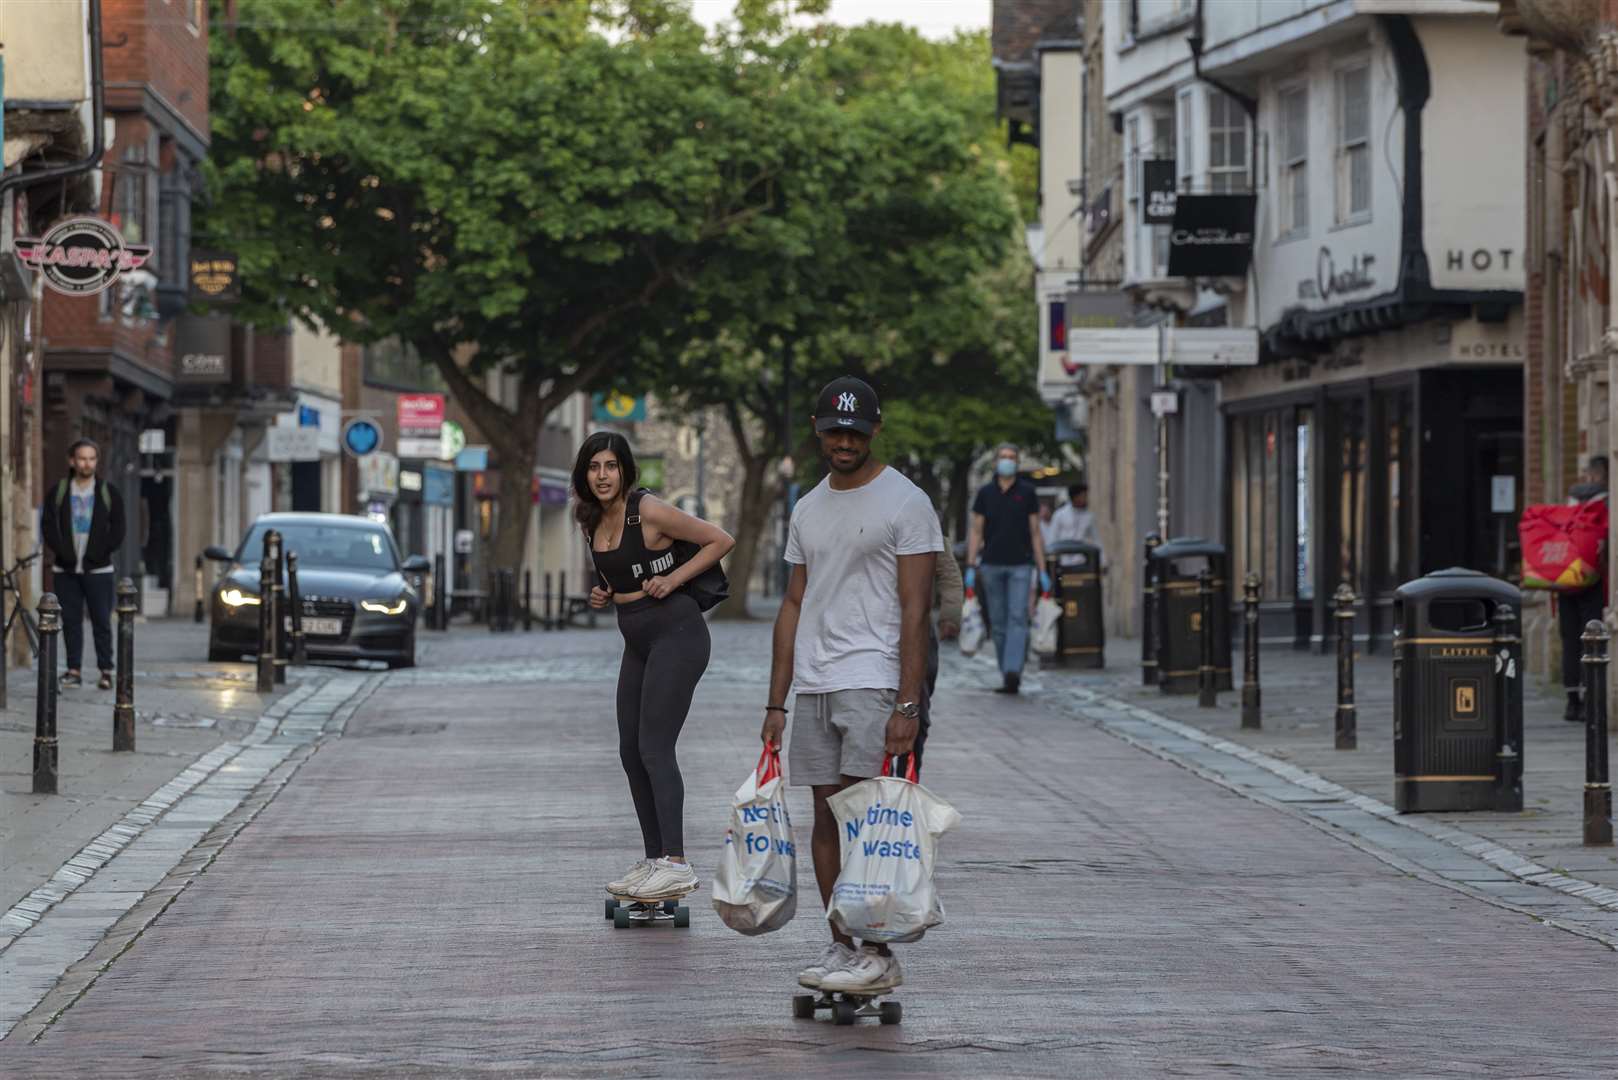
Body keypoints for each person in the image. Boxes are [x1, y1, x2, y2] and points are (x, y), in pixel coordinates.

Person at [762, 375, 941, 996]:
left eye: (855, 431)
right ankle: (842, 942)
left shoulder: (905, 502)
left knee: (868, 819)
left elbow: (916, 607)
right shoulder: (807, 507)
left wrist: (908, 702)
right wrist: (775, 700)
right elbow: (792, 603)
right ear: (818, 431)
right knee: (824, 815)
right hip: (814, 681)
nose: (844, 441)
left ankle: (878, 949)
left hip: (874, 679)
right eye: (835, 430)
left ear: (874, 431)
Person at [578, 431, 735, 899]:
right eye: (593, 467)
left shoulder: (646, 510)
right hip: (637, 638)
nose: (602, 476)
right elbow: (622, 571)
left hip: (678, 634)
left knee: (654, 747)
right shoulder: (591, 519)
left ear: (625, 470)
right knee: (630, 750)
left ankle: (677, 862)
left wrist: (674, 578)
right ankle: (654, 861)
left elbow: (719, 540)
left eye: (610, 466)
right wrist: (605, 591)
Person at [40, 438, 125, 690]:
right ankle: (73, 669)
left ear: (96, 462)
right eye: (82, 458)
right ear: (72, 461)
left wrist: (98, 553)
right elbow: (48, 526)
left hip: (99, 569)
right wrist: (63, 552)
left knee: (101, 620)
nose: (86, 463)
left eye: (91, 458)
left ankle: (105, 670)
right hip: (65, 568)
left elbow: (118, 529)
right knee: (70, 621)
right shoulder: (59, 491)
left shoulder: (109, 493)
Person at [965, 443, 1048, 694]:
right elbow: (977, 531)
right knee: (999, 622)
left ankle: (1014, 671)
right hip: (990, 564)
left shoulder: (1028, 492)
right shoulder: (985, 493)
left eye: (1012, 457)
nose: (1007, 461)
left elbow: (1035, 532)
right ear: (996, 462)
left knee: (1017, 618)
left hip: (1021, 565)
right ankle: (1006, 671)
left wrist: (1042, 569)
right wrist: (970, 565)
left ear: (1018, 462)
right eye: (1003, 457)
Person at [1560, 454, 1608, 723]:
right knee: (1593, 637)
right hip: (1592, 579)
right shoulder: (1606, 501)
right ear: (1603, 475)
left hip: (1565, 579)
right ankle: (1591, 699)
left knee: (1569, 640)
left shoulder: (1570, 501)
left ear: (1588, 474)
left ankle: (1571, 702)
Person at [1049, 482, 1099, 551]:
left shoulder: (1089, 516)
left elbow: (1096, 538)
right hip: (1064, 557)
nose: (1086, 499)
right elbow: (1052, 538)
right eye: (1083, 496)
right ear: (1075, 497)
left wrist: (1102, 558)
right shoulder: (1060, 514)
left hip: (1082, 557)